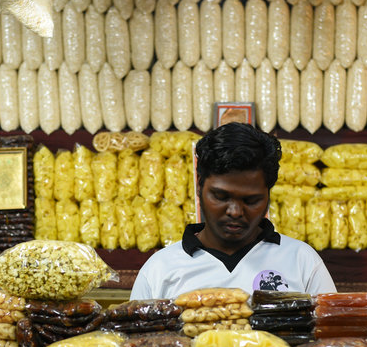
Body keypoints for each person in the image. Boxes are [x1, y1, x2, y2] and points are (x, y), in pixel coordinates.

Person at [130, 123, 336, 300]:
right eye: (221, 197)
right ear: (199, 187)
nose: (236, 211)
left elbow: (331, 341)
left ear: (268, 195)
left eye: (251, 200)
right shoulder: (160, 268)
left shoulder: (302, 261)